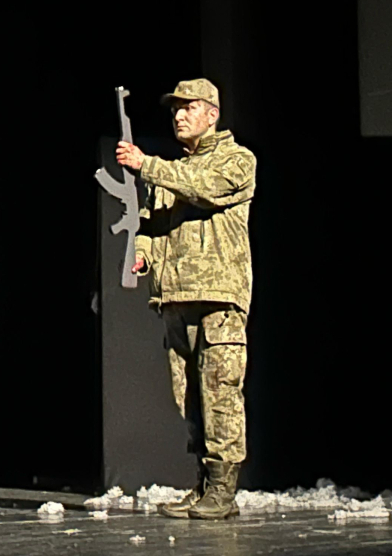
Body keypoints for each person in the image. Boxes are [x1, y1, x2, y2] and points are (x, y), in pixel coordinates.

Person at [116, 78, 256, 520]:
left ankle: (223, 490)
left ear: (212, 114)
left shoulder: (237, 160)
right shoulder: (170, 169)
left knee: (220, 394)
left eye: (188, 107)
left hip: (217, 295)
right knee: (190, 397)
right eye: (175, 109)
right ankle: (204, 484)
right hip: (176, 296)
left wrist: (146, 164)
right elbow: (150, 220)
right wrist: (143, 253)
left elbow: (204, 187)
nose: (179, 115)